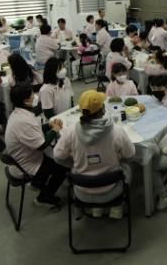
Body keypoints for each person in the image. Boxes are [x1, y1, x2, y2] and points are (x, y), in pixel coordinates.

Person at [53, 90, 135, 219]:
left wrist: (72, 164)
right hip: (112, 190)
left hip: (82, 191)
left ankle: (96, 209)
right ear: (103, 109)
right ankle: (116, 207)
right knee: (128, 166)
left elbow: (58, 157)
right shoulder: (117, 132)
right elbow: (130, 156)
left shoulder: (70, 132)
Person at [5, 84, 68, 208]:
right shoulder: (24, 121)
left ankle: (37, 183)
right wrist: (54, 130)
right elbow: (42, 145)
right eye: (32, 95)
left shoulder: (18, 113)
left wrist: (49, 126)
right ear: (25, 101)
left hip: (22, 156)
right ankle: (44, 198)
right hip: (25, 164)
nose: (35, 97)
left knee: (52, 156)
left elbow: (35, 130)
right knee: (62, 165)